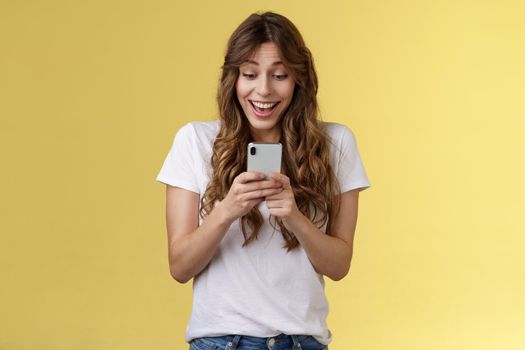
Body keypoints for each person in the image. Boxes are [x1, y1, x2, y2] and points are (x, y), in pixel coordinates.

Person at [156, 11, 371, 350]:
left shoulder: (336, 144)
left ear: (298, 79)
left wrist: (295, 218)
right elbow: (180, 266)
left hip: (302, 342)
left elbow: (339, 265)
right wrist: (227, 210)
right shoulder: (194, 141)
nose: (264, 90)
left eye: (280, 75)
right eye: (250, 74)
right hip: (220, 342)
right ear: (234, 79)